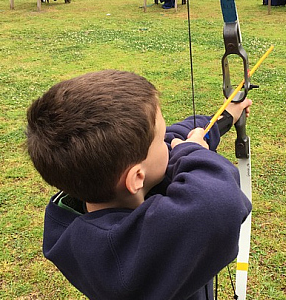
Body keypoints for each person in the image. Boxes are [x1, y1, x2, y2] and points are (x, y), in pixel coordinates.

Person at [26, 69, 252, 300]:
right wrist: (191, 151)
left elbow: (173, 138)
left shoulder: (86, 203)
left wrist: (225, 117)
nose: (169, 144)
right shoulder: (144, 247)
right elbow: (219, 200)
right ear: (136, 179)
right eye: (160, 140)